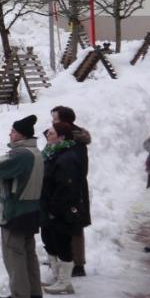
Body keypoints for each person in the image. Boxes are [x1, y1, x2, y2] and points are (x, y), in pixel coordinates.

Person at [0, 114, 44, 298]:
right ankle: (35, 293)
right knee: (29, 253)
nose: (10, 134)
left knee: (14, 253)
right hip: (32, 210)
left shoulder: (20, 155)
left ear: (20, 135)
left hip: (16, 210)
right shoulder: (37, 153)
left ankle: (20, 297)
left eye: (12, 131)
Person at [39, 121, 88, 294]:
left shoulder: (67, 157)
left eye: (51, 133)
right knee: (49, 240)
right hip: (48, 207)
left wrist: (53, 209)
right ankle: (56, 276)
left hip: (61, 211)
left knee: (62, 244)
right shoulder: (51, 154)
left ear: (61, 137)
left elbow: (67, 187)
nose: (48, 136)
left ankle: (64, 281)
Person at [51, 105, 91, 277]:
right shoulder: (62, 137)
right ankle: (65, 257)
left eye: (55, 118)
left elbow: (78, 168)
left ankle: (78, 263)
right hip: (63, 187)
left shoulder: (75, 141)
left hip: (73, 189)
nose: (53, 120)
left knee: (75, 225)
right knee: (63, 225)